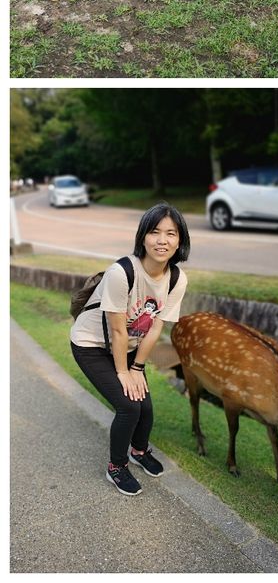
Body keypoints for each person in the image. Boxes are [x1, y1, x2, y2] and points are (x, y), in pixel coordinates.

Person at [70, 203, 190, 496]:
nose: (162, 240)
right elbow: (117, 329)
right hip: (92, 345)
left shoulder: (177, 279)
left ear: (180, 240)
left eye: (171, 234)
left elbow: (157, 327)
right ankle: (116, 466)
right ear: (143, 237)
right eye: (155, 232)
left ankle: (138, 450)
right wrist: (123, 372)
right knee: (128, 407)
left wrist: (137, 368)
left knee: (145, 408)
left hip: (129, 347)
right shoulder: (121, 272)